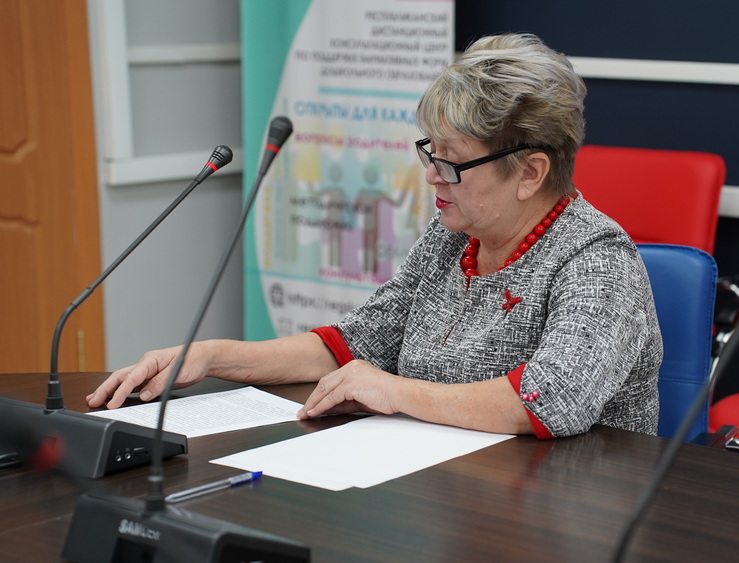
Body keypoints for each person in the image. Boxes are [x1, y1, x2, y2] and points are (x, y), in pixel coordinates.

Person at [87, 33, 663, 439]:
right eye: (430, 152)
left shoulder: (597, 260)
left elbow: (550, 399)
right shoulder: (453, 236)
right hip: (451, 493)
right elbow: (355, 343)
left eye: (452, 162)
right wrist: (212, 355)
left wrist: (395, 390)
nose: (432, 175)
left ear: (531, 172)